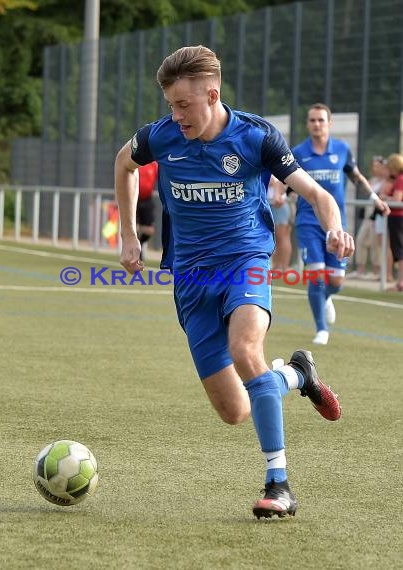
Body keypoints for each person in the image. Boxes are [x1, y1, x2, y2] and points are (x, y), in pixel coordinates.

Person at [114, 46, 355, 520]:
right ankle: (296, 375)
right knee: (235, 410)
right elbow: (124, 164)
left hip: (246, 258)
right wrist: (127, 235)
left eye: (184, 105)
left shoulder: (256, 136)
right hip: (189, 276)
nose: (176, 115)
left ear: (212, 94)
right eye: (170, 105)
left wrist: (333, 227)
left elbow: (316, 193)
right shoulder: (161, 137)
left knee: (246, 351)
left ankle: (278, 483)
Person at [291, 103, 390, 345]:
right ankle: (321, 329)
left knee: (336, 281)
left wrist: (375, 199)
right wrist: (279, 194)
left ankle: (326, 297)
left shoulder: (342, 150)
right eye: (312, 120)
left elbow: (357, 178)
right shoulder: (298, 152)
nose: (317, 124)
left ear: (329, 123)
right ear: (307, 124)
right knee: (315, 274)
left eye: (321, 120)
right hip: (307, 222)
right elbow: (285, 182)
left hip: (336, 225)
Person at [349, 156, 388, 280]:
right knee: (360, 240)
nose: (374, 168)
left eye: (377, 166)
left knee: (375, 244)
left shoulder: (385, 182)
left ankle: (376, 272)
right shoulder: (372, 180)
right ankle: (360, 270)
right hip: (368, 216)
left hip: (376, 216)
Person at [381, 153, 403, 291]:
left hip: (398, 217)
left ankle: (401, 282)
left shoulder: (400, 179)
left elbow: (396, 200)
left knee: (400, 250)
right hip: (396, 217)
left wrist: (384, 198)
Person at [266, 175, 293, 273]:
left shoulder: (277, 162)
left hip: (278, 204)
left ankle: (283, 266)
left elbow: (283, 182)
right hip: (267, 202)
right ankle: (277, 265)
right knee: (274, 238)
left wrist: (277, 193)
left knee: (282, 236)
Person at [137, 161, 158, 260]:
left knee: (149, 230)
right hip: (134, 198)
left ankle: (139, 245)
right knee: (135, 228)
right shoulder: (135, 161)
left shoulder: (154, 165)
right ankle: (134, 252)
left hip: (147, 199)